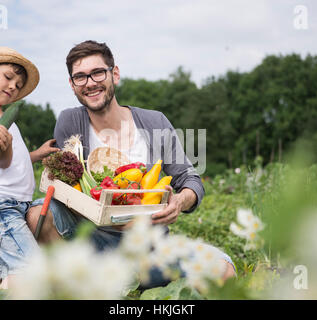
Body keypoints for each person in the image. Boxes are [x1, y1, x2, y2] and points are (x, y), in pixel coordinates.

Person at [26, 40, 236, 287]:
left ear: (114, 74)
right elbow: (68, 190)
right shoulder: (70, 121)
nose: (90, 82)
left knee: (223, 270)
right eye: (80, 77)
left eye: (97, 73)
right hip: (91, 246)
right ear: (72, 85)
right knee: (37, 213)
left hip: (148, 249)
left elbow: (190, 179)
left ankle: (124, 283)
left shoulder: (154, 122)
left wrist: (179, 201)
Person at [0, 47, 60, 295]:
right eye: (8, 77)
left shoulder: (3, 117)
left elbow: (16, 160)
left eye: (18, 84)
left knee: (4, 262)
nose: (13, 86)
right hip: (1, 205)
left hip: (18, 203)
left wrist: (37, 154)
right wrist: (5, 148)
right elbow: (1, 161)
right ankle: (1, 288)